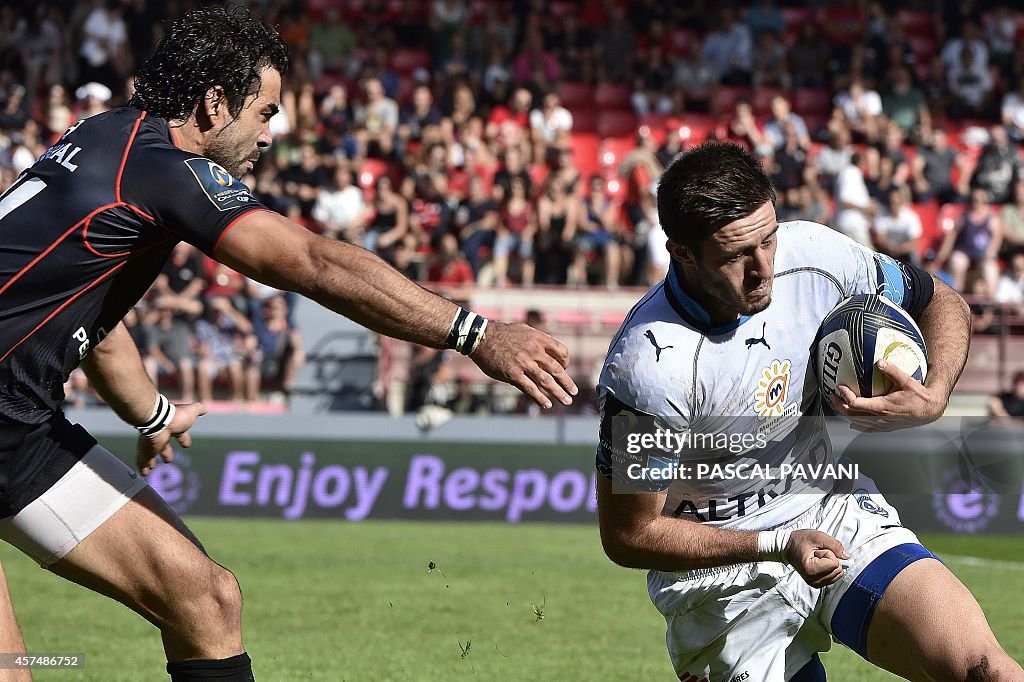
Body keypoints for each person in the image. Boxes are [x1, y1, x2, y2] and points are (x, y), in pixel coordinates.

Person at [0, 7, 576, 682]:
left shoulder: (111, 141)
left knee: (205, 600)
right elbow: (310, 262)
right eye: (265, 112)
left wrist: (153, 416)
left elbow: (91, 324)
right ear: (214, 103)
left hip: (18, 429)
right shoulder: (160, 166)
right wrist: (473, 333)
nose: (271, 134)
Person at [595, 142, 1021, 681]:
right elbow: (631, 535)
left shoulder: (817, 254)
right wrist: (776, 545)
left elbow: (943, 302)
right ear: (680, 252)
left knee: (986, 670)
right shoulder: (650, 367)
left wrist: (933, 394)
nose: (763, 270)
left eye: (769, 239)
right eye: (735, 255)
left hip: (829, 511)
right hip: (718, 583)